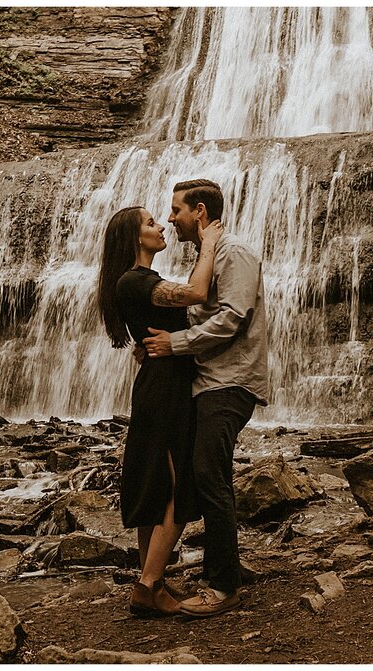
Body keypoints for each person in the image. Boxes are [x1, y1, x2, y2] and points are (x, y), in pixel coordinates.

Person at [142, 179, 269, 618]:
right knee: (200, 477)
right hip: (210, 381)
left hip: (231, 382)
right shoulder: (210, 255)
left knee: (209, 476)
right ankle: (217, 571)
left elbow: (233, 318)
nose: (170, 218)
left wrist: (173, 344)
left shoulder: (232, 252)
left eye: (175, 210)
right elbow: (204, 309)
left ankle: (224, 587)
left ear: (199, 211)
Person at [96, 205, 224, 617]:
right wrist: (208, 245)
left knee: (154, 480)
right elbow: (197, 293)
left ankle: (151, 580)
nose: (162, 225)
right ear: (136, 238)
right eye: (151, 223)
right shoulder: (136, 280)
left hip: (159, 381)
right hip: (166, 387)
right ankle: (148, 584)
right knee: (172, 483)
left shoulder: (134, 282)